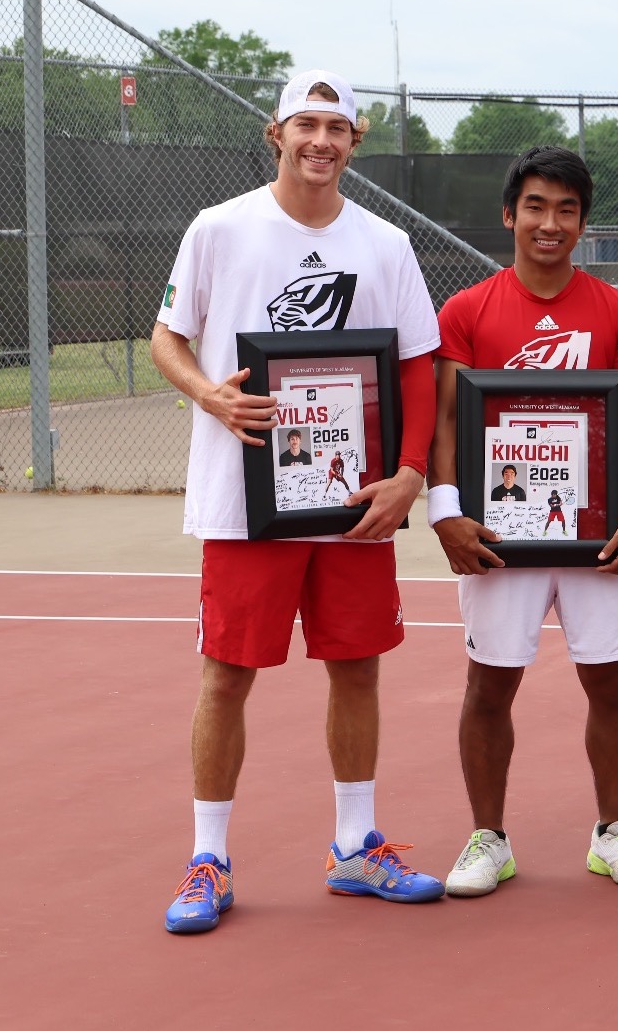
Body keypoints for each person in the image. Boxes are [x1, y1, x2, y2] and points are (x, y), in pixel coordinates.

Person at [149, 69, 444, 934]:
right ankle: (209, 858)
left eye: (337, 127)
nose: (321, 140)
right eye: (305, 124)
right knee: (227, 673)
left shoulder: (385, 244)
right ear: (275, 134)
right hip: (245, 500)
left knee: (356, 664)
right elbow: (168, 334)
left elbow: (420, 363)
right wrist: (210, 394)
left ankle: (356, 846)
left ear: (355, 142)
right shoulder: (219, 229)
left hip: (352, 497)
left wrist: (411, 471)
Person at [428, 145, 618, 896]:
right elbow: (444, 420)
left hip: (596, 530)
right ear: (510, 214)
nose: (550, 222)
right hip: (502, 532)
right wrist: (449, 512)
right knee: (489, 685)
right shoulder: (467, 311)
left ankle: (613, 831)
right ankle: (488, 837)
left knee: (611, 680)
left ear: (584, 223)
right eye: (536, 206)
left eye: (566, 209)